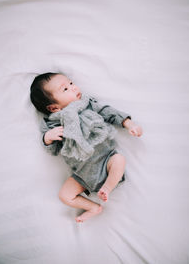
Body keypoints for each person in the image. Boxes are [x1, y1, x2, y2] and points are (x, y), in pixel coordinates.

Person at [30, 72, 143, 223]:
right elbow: (53, 150)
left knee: (119, 160)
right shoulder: (54, 124)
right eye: (65, 89)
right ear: (53, 108)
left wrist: (128, 123)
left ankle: (107, 188)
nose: (73, 87)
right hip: (82, 175)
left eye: (71, 83)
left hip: (106, 160)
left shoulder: (87, 104)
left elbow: (108, 112)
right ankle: (93, 207)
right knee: (64, 195)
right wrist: (47, 138)